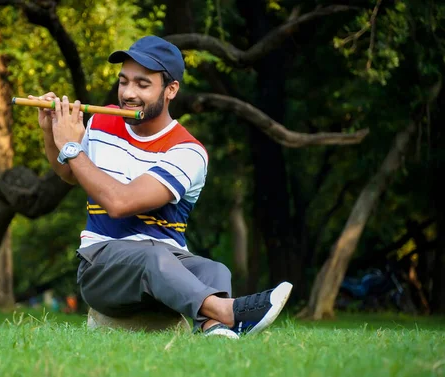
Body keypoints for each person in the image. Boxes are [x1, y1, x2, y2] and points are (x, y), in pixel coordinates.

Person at [29, 35, 292, 339]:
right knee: (152, 259)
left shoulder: (188, 152)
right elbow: (70, 172)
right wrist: (52, 133)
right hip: (101, 265)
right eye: (123, 81)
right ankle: (229, 313)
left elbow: (120, 201)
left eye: (142, 85)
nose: (128, 93)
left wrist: (73, 147)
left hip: (165, 266)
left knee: (215, 271)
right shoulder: (100, 122)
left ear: (171, 90)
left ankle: (215, 330)